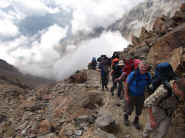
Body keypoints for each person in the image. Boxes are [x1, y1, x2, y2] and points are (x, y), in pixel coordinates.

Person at [124, 61, 152, 129]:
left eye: (145, 67)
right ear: (139, 66)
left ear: (147, 68)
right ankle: (126, 118)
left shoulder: (148, 75)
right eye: (142, 67)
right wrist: (126, 95)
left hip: (141, 95)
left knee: (139, 109)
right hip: (131, 93)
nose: (143, 69)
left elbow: (149, 85)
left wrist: (148, 95)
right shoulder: (133, 74)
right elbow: (127, 84)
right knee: (129, 108)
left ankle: (136, 121)